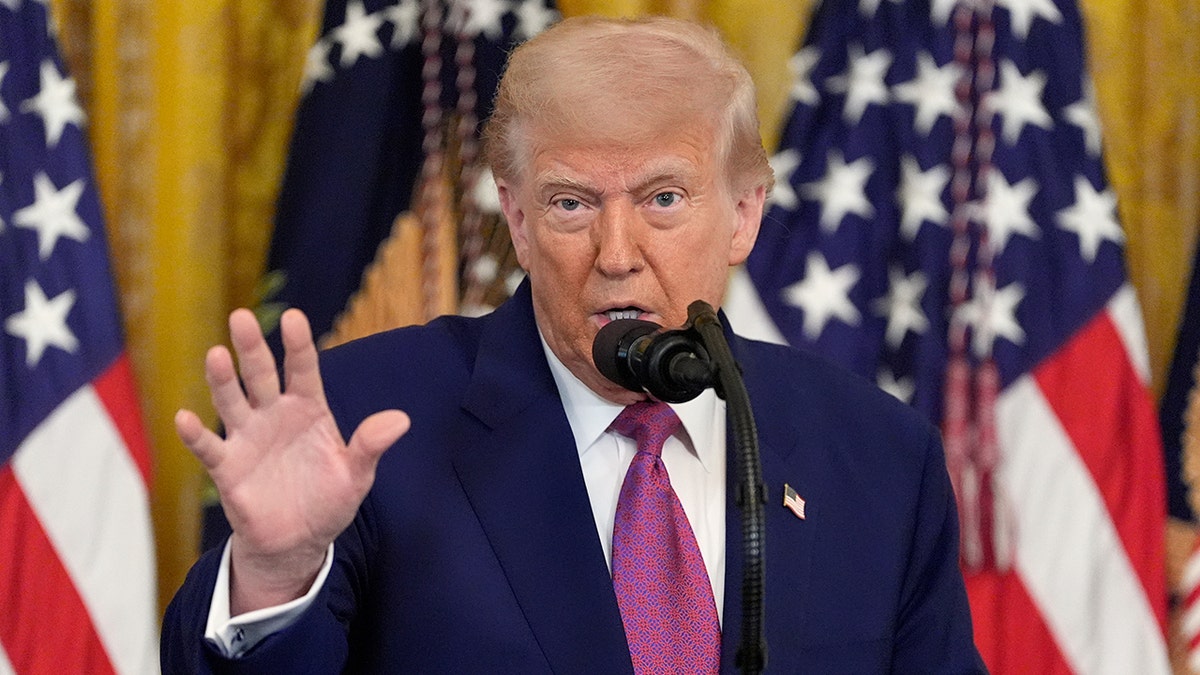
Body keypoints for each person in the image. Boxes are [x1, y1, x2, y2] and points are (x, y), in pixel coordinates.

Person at [161, 15, 985, 673]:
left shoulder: (878, 454)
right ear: (516, 220)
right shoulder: (368, 422)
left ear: (743, 215)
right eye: (569, 204)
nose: (617, 251)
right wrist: (274, 576)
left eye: (664, 197)